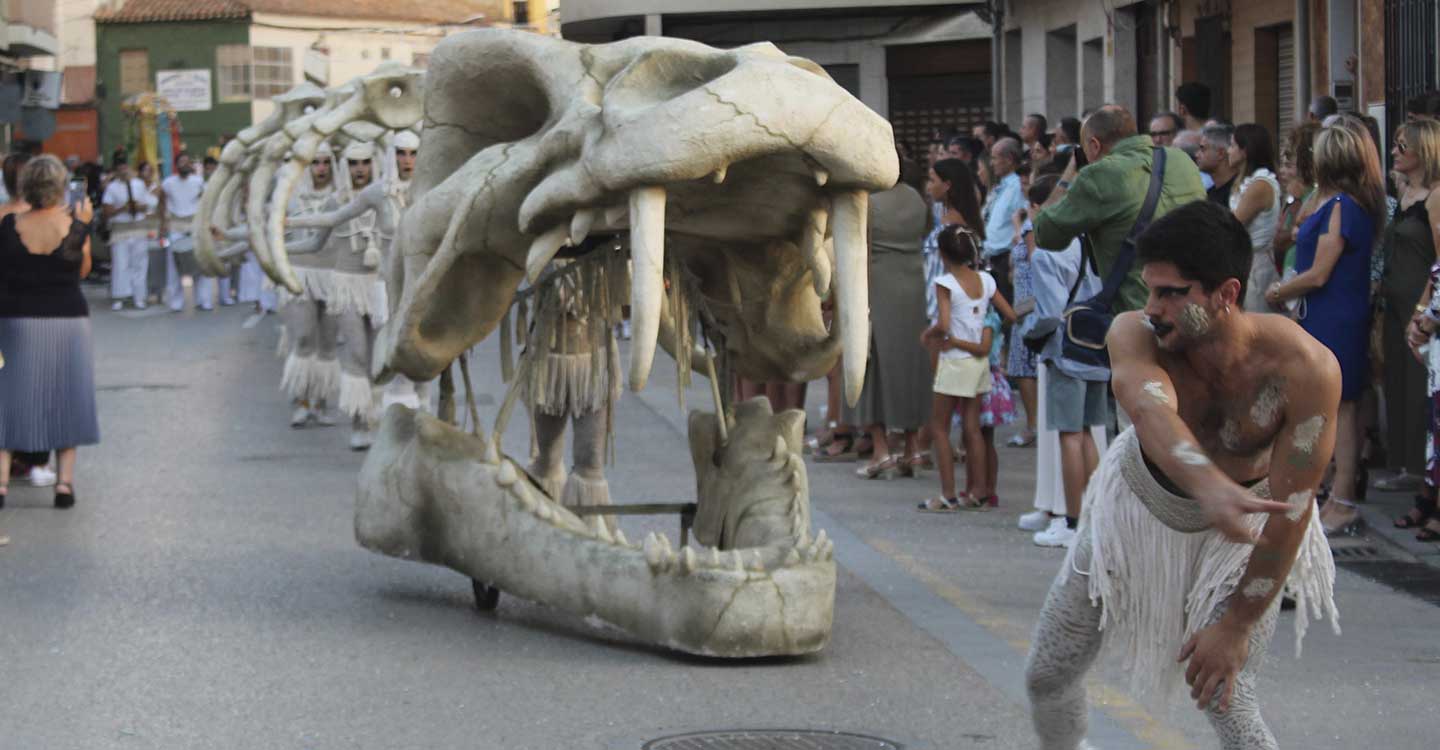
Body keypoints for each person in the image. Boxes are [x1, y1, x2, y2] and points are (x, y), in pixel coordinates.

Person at [1024, 200, 1340, 750]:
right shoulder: (1133, 333)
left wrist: (1238, 624)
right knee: (1047, 675)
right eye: (1150, 290)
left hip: (1242, 538)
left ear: (1226, 294)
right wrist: (1206, 481)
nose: (1153, 308)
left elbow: (1293, 510)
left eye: (1173, 293)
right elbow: (1150, 411)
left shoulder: (1306, 370)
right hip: (1136, 513)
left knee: (1231, 701)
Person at [1264, 121, 1387, 536]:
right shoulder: (1333, 201)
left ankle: (1345, 498)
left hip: (1336, 314)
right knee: (1333, 406)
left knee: (1342, 408)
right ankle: (1333, 489)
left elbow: (1318, 274)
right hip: (1326, 314)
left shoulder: (1342, 208)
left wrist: (1281, 289)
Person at [0, 155, 101, 518]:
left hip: (16, 319)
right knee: (66, 395)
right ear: (60, 187)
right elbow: (83, 269)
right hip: (68, 319)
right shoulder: (75, 226)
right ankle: (64, 484)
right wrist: (83, 225)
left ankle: (2, 481)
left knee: (10, 396)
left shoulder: (8, 224)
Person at [1033, 104, 1207, 314]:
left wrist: (1069, 175)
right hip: (1193, 305)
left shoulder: (1099, 174)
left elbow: (1045, 234)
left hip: (1140, 311)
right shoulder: (1181, 160)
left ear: (1095, 145)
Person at [1016, 174, 1110, 545]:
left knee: (1069, 436)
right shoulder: (1092, 242)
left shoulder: (1048, 253)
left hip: (1064, 348)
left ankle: (1072, 522)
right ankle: (1094, 518)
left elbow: (1049, 312)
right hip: (1096, 344)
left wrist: (1028, 330)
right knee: (1089, 435)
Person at [917, 225, 1014, 511]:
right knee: (973, 428)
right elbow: (1008, 314)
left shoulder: (945, 282)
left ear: (944, 254)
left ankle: (947, 494)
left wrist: (931, 334)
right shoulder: (986, 280)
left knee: (939, 427)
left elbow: (945, 323)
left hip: (955, 360)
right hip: (979, 363)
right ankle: (980, 491)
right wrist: (983, 326)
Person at [849, 171, 934, 479]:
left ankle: (881, 451)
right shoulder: (916, 199)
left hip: (878, 284)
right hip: (912, 286)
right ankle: (912, 448)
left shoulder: (869, 202)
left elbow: (863, 249)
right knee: (911, 365)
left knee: (871, 367)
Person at [1383, 121, 1440, 518]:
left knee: (1423, 392)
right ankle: (1409, 469)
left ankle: (1426, 486)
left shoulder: (1435, 198)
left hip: (1420, 305)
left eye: (1402, 146)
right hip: (1394, 302)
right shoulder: (1403, 194)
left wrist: (1423, 311)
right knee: (1399, 384)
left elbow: (1439, 262)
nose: (1395, 152)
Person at [1226, 124, 1282, 312]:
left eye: (1232, 145)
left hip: (1257, 266)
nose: (1228, 151)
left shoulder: (1260, 185)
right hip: (1247, 262)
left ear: (1245, 151)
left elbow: (1233, 224)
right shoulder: (1245, 182)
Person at [1005, 180, 1040, 448]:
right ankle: (1035, 424)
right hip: (1025, 302)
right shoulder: (1030, 226)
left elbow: (1035, 258)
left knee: (1025, 368)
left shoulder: (1032, 227)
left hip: (1030, 305)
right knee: (1025, 367)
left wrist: (1020, 225)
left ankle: (1033, 425)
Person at [159, 153, 215, 311]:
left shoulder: (198, 182)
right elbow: (161, 203)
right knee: (174, 267)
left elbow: (205, 203)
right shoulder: (168, 183)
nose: (184, 164)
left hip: (195, 226)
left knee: (200, 264)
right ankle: (176, 303)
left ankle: (203, 300)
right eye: (181, 162)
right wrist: (163, 224)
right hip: (175, 228)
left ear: (191, 165)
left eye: (187, 161)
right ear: (176, 165)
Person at [102, 158, 157, 311]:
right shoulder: (112, 187)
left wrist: (141, 207)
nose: (124, 171)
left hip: (138, 228)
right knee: (121, 263)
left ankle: (139, 297)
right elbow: (106, 211)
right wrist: (122, 209)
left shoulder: (138, 184)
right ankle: (119, 297)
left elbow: (149, 204)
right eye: (120, 169)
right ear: (116, 171)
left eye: (125, 168)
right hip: (121, 230)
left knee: (139, 263)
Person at [983, 137, 1026, 302]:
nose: (991, 163)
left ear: (1008, 160)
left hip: (1006, 259)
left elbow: (1021, 221)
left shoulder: (1017, 186)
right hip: (992, 259)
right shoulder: (1001, 186)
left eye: (994, 158)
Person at [1197, 122, 1237, 205]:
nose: (1197, 155)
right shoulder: (1209, 194)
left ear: (1220, 153)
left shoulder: (1239, 193)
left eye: (1202, 149)